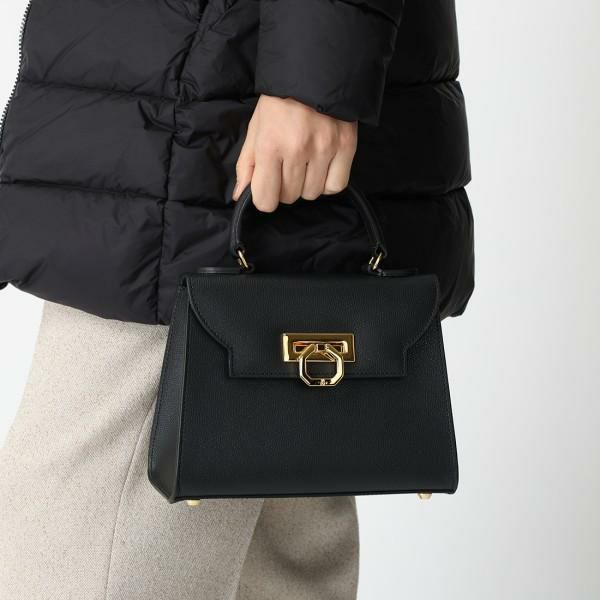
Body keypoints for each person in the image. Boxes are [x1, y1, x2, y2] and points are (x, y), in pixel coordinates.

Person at [0, 1, 474, 598]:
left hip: (206, 116)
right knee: (280, 555)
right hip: (182, 101)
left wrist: (311, 82)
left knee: (73, 557)